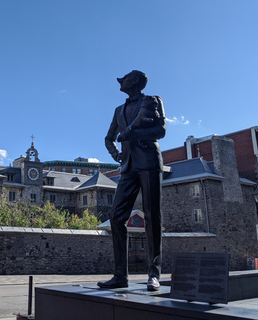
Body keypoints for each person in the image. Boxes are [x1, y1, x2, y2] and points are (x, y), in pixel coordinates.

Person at [98, 70, 166, 291]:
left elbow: (161, 131)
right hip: (127, 167)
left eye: (124, 78)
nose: (120, 80)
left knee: (152, 215)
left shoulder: (152, 100)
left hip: (149, 163)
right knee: (116, 217)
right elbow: (109, 138)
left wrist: (133, 134)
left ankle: (153, 274)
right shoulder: (119, 110)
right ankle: (120, 276)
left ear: (135, 81)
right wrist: (116, 154)